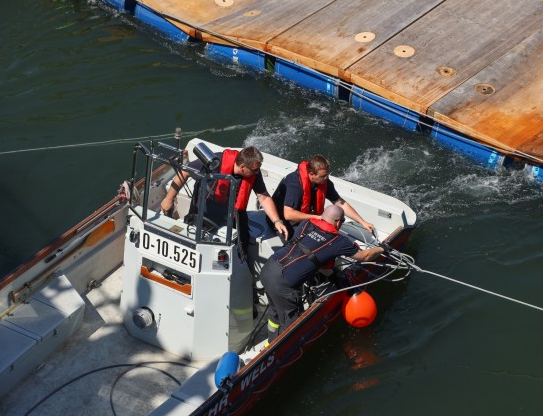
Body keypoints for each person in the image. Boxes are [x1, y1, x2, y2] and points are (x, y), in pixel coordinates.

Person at [260, 205, 384, 343]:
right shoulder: (338, 241)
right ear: (338, 222)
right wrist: (382, 249)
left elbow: (313, 255)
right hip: (283, 285)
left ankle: (268, 342)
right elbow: (365, 256)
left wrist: (332, 276)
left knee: (275, 312)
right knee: (291, 327)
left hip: (269, 268)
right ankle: (276, 351)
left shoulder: (306, 223)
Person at [160, 145, 288, 260]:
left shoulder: (253, 173)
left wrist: (277, 221)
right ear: (243, 167)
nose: (257, 173)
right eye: (254, 170)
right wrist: (169, 199)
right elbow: (185, 171)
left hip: (233, 217)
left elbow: (263, 197)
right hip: (205, 213)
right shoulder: (215, 162)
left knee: (241, 249)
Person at [271, 154, 375, 239]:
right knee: (311, 242)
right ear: (312, 174)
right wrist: (318, 217)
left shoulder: (323, 182)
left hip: (306, 217)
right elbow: (289, 215)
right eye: (323, 176)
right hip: (283, 221)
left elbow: (340, 203)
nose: (326, 178)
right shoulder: (295, 184)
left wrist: (363, 222)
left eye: (327, 175)